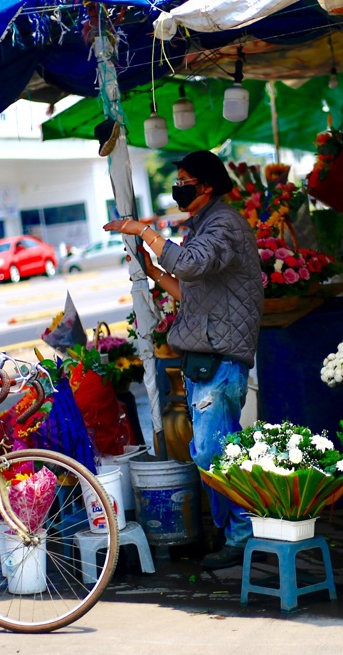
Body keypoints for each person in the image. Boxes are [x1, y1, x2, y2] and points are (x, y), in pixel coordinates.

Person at [104, 151, 262, 570]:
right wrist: (154, 274)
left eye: (185, 179)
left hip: (221, 360)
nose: (178, 186)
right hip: (204, 359)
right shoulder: (205, 226)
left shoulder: (223, 224)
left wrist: (147, 232)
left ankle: (242, 534)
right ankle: (231, 532)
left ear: (206, 185)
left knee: (216, 451)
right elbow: (190, 292)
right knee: (210, 449)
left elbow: (191, 266)